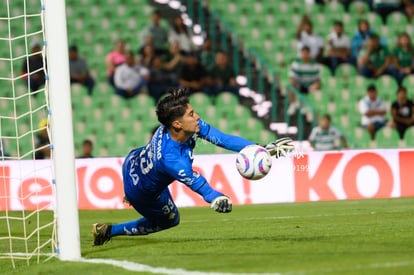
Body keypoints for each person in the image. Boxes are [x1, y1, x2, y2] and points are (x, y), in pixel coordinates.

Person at [92, 88, 294, 245]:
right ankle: (107, 231)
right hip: (142, 191)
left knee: (156, 184)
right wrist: (216, 197)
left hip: (133, 160)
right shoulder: (172, 160)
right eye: (191, 114)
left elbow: (221, 139)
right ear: (178, 124)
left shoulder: (180, 128)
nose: (196, 116)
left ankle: (131, 197)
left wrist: (260, 148)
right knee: (170, 220)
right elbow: (198, 184)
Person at [288, 46, 321, 115]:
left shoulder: (314, 65)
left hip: (310, 86)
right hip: (299, 85)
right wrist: (296, 83)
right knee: (291, 84)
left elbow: (317, 79)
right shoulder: (296, 64)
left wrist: (316, 84)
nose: (305, 55)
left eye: (306, 53)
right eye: (303, 53)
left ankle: (306, 107)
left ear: (309, 54)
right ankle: (292, 104)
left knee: (318, 85)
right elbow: (292, 77)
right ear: (301, 54)